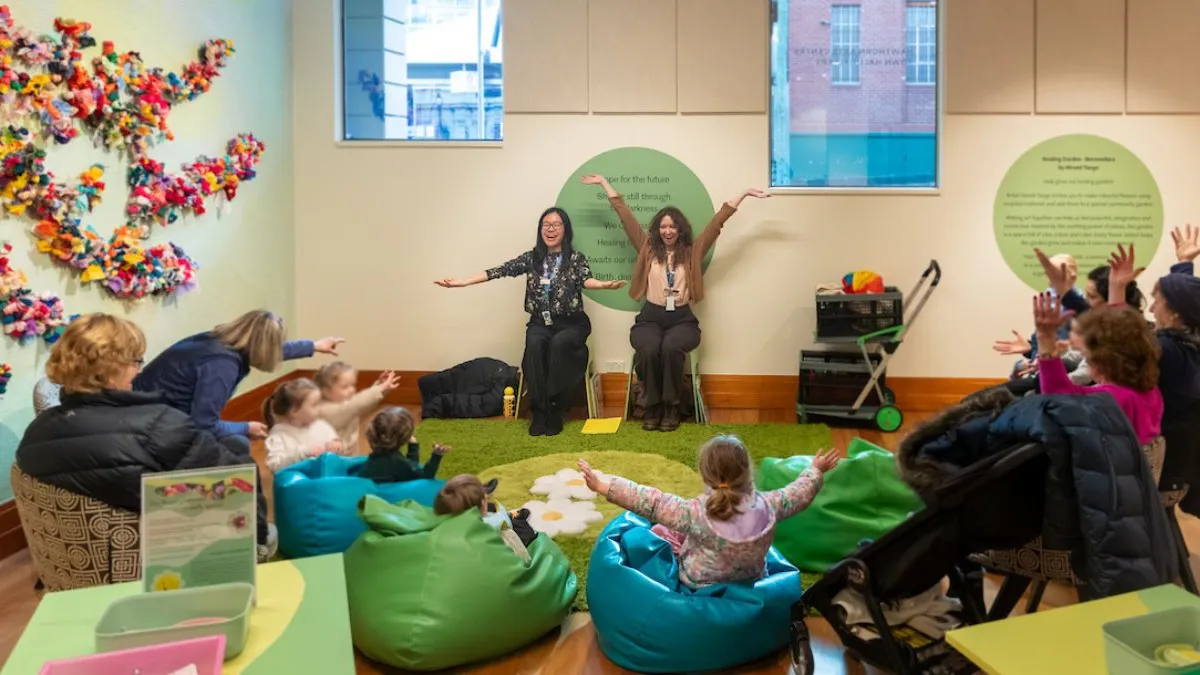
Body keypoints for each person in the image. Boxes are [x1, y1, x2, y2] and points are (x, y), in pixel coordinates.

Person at [15, 314, 277, 561]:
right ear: (110, 368)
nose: (139, 371)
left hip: (76, 562)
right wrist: (259, 537)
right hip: (163, 563)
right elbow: (238, 487)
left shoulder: (35, 434)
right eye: (134, 361)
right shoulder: (161, 425)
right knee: (242, 464)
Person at [581, 174, 769, 432]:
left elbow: (717, 224)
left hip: (682, 318)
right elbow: (626, 217)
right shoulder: (647, 248)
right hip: (650, 316)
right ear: (657, 230)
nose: (667, 231)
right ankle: (652, 406)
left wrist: (744, 193)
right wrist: (604, 183)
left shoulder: (692, 252)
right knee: (647, 348)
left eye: (672, 227)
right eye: (663, 227)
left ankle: (672, 407)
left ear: (680, 230)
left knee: (670, 348)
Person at [434, 207, 626, 437]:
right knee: (534, 344)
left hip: (571, 323)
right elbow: (501, 270)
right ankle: (540, 409)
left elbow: (586, 280)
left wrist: (604, 285)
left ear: (566, 230)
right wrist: (463, 282)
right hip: (540, 323)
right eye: (546, 224)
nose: (550, 229)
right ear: (540, 229)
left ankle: (555, 407)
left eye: (556, 224)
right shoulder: (532, 258)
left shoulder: (575, 259)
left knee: (559, 344)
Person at [577, 436, 841, 588]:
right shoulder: (771, 504)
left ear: (706, 476)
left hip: (700, 582)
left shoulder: (695, 513)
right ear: (747, 471)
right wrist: (815, 469)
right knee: (676, 529)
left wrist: (603, 485)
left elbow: (651, 502)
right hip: (752, 577)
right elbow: (800, 493)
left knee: (661, 530)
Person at [1107, 229, 1200, 513]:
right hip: (1181, 470)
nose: (1153, 308)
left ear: (1173, 312)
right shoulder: (1189, 344)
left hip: (1158, 477)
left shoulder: (1164, 350)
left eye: (1157, 301)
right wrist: (1184, 264)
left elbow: (1116, 344)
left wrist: (1116, 289)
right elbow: (1190, 299)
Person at [1032, 290, 1163, 445]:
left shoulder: (1111, 400)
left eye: (1086, 356)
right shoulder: (1150, 391)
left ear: (1103, 359)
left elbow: (1058, 395)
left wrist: (1045, 339)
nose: (1086, 363)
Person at [433, 474, 535, 564]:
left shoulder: (440, 535)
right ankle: (512, 517)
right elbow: (523, 561)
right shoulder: (499, 530)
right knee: (525, 531)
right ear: (483, 503)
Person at [315, 362, 401, 451]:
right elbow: (356, 404)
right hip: (333, 460)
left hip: (350, 454)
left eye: (352, 384)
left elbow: (363, 404)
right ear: (326, 391)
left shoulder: (345, 403)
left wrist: (379, 386)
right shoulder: (324, 410)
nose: (352, 389)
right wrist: (380, 388)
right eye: (345, 386)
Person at [262, 378, 343, 472]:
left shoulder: (321, 425)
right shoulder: (278, 436)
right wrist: (304, 454)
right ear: (294, 411)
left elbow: (335, 441)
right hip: (299, 483)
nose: (320, 408)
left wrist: (336, 445)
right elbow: (275, 466)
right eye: (314, 405)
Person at [359, 406, 448, 483]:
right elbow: (424, 478)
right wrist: (436, 455)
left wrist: (413, 447)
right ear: (405, 438)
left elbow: (411, 467)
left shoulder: (377, 453)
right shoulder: (397, 461)